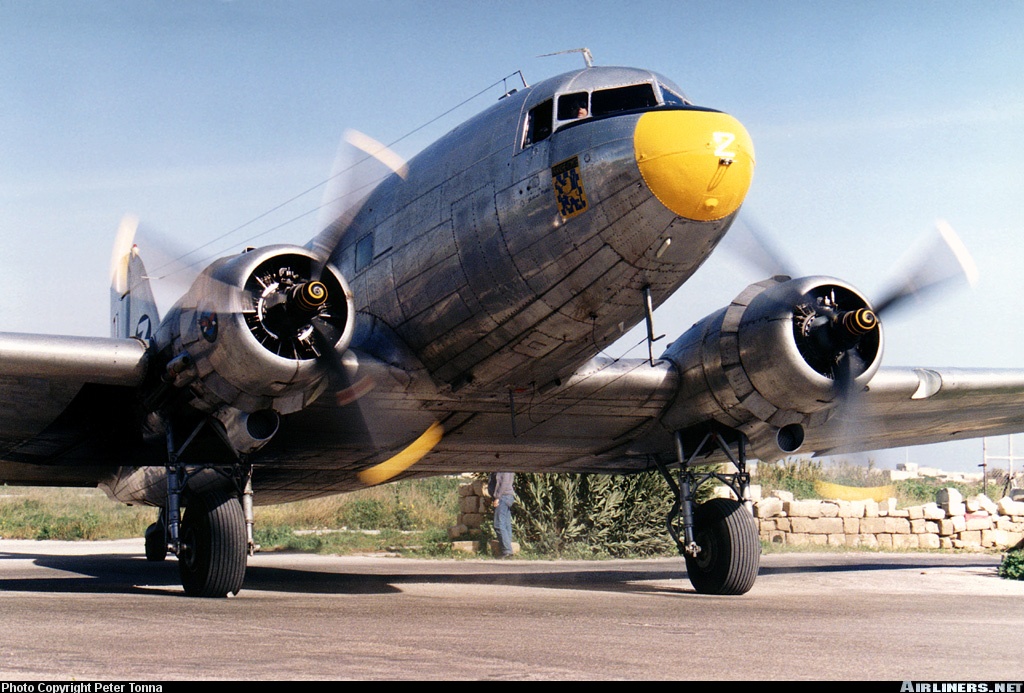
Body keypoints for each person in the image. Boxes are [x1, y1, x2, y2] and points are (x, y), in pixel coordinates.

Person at [487, 471, 515, 557]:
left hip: (503, 496)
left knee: (498, 524)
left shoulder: (503, 468)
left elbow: (504, 482)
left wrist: (497, 497)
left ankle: (507, 550)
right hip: (507, 496)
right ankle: (508, 548)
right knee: (506, 524)